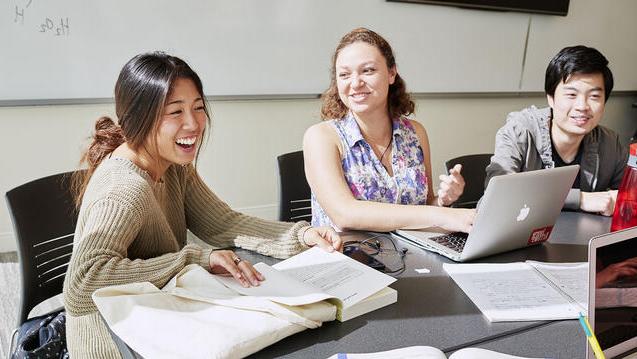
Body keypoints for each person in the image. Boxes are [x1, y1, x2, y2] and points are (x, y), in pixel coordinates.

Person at [62, 52, 341, 358]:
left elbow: (223, 224)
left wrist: (301, 237)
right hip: (117, 344)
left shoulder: (172, 165)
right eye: (175, 112)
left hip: (157, 316)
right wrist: (194, 259)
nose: (193, 124)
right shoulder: (124, 189)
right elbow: (82, 283)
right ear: (139, 118)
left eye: (197, 108)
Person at [303, 27, 475, 232]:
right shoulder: (321, 137)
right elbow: (344, 214)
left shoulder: (415, 133)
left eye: (368, 70)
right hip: (348, 256)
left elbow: (424, 206)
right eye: (344, 75)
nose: (355, 83)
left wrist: (443, 201)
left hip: (409, 255)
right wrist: (442, 215)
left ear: (391, 73)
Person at [485, 45, 628, 216]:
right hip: (522, 240)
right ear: (550, 98)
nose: (582, 106)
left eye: (594, 96)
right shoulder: (520, 132)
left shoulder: (610, 143)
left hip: (581, 240)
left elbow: (630, 195)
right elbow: (498, 195)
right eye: (571, 95)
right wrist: (580, 199)